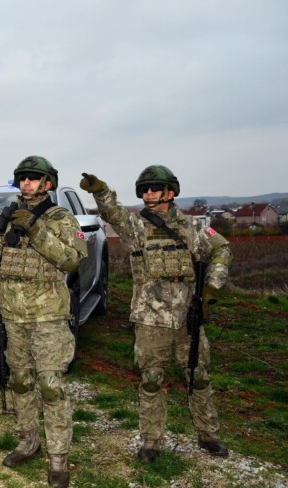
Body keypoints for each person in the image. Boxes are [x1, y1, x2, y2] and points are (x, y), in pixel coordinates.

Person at [80, 166, 232, 463]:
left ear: (171, 191)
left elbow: (222, 250)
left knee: (198, 377)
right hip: (150, 321)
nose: (149, 193)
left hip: (187, 318)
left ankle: (208, 434)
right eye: (144, 189)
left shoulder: (194, 228)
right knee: (151, 380)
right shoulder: (137, 228)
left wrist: (212, 288)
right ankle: (151, 440)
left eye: (155, 188)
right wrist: (100, 190)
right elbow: (113, 213)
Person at [0, 156, 88, 488]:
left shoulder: (61, 218)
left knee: (50, 386)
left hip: (49, 316)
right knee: (21, 382)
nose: (26, 183)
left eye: (33, 178)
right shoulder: (7, 217)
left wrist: (37, 230)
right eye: (22, 178)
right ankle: (28, 441)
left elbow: (72, 260)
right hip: (13, 315)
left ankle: (58, 458)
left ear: (48, 183)